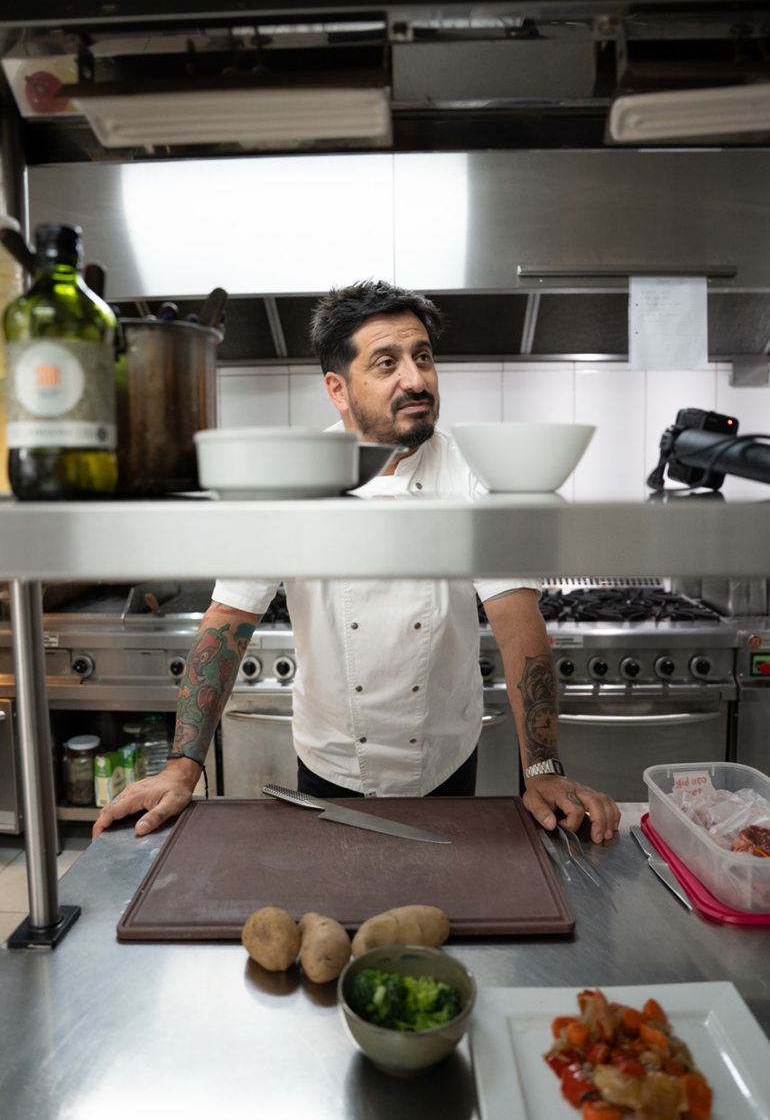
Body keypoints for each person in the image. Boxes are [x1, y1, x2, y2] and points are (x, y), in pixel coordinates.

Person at [93, 280, 620, 843]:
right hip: (329, 766)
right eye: (387, 364)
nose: (415, 380)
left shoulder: (477, 469)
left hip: (445, 761)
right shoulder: (294, 479)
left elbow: (517, 620)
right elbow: (228, 621)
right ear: (338, 389)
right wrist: (182, 766)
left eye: (422, 358)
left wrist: (541, 768)